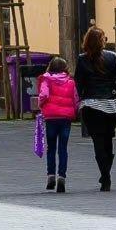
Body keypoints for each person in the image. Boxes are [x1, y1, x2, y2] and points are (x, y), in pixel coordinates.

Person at [75, 26, 116, 192]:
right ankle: (106, 173)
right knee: (108, 141)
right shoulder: (112, 57)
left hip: (91, 106)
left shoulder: (82, 59)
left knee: (97, 142)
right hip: (110, 106)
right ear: (102, 41)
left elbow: (78, 82)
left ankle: (105, 175)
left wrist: (84, 96)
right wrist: (113, 91)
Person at [38, 57, 79, 193]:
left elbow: (44, 94)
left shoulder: (46, 79)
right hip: (65, 118)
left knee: (51, 148)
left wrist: (41, 105)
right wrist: (75, 111)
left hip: (51, 117)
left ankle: (51, 176)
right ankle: (62, 177)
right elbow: (75, 99)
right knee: (63, 148)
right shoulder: (71, 82)